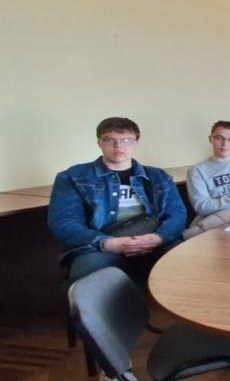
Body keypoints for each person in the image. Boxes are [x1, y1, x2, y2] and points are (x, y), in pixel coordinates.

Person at [48, 117, 187, 284]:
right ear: (99, 143)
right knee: (89, 273)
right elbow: (63, 222)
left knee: (185, 260)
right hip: (101, 246)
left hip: (153, 240)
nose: (118, 146)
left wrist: (160, 237)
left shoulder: (159, 176)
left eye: (126, 140)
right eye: (110, 140)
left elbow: (177, 214)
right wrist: (107, 243)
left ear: (136, 143)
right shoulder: (72, 177)